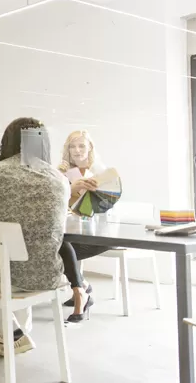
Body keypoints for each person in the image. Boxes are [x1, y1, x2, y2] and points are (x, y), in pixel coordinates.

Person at [0, 117, 70, 355]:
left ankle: (14, 334)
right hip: (47, 275)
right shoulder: (61, 179)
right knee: (16, 265)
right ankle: (11, 337)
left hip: (0, 275)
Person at [57, 130, 111, 320]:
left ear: (90, 148)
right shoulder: (64, 171)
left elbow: (102, 207)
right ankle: (82, 287)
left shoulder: (100, 173)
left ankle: (81, 290)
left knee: (57, 248)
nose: (77, 150)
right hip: (73, 228)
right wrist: (59, 179)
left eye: (81, 146)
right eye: (72, 146)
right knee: (55, 244)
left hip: (99, 232)